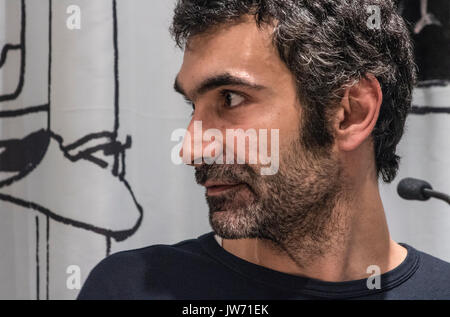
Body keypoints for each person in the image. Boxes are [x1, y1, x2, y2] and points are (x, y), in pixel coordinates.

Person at [78, 0, 450, 300]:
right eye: (194, 106)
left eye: (231, 98)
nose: (191, 150)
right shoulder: (133, 288)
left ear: (351, 112)